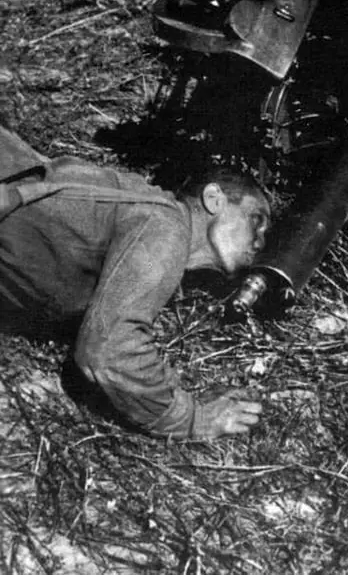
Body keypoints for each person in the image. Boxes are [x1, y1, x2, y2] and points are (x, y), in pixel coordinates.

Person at [0, 123, 271, 440]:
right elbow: (109, 349)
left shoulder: (152, 221)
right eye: (257, 220)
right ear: (214, 199)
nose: (260, 242)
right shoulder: (167, 227)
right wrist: (193, 418)